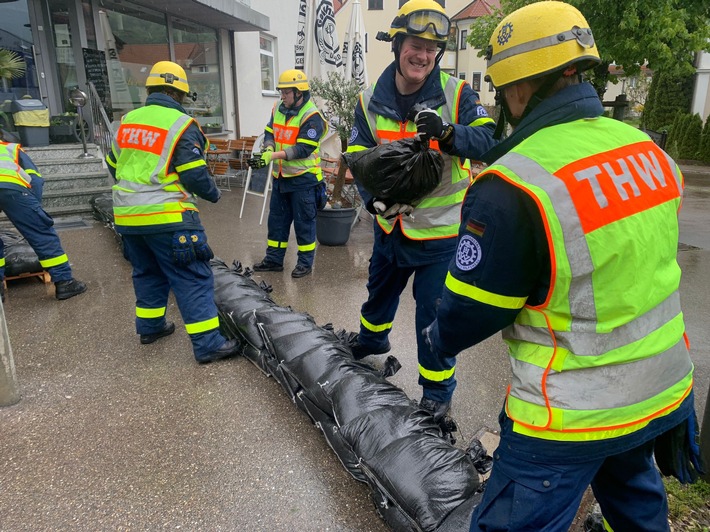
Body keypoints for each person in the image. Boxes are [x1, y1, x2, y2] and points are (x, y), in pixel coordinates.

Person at [422, 2, 700, 530]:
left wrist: (438, 338)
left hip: (568, 417)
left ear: (521, 87)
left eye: (504, 91)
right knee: (637, 511)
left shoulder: (514, 186)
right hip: (658, 392)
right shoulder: (648, 151)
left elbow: (472, 310)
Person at [345, 0, 496, 420]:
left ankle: (437, 390)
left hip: (440, 234)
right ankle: (372, 342)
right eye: (415, 43)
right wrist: (369, 196)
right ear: (397, 44)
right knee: (378, 295)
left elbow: (488, 142)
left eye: (431, 48)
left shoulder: (458, 94)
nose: (422, 55)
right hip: (390, 226)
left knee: (433, 314)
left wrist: (450, 134)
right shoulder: (369, 99)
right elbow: (357, 152)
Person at [106, 60, 239, 364]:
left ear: (151, 88)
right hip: (169, 217)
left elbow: (113, 164)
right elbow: (193, 173)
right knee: (191, 276)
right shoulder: (181, 124)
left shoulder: (127, 121)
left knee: (147, 272)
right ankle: (208, 344)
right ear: (178, 93)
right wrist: (214, 194)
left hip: (128, 217)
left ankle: (150, 327)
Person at [250, 69, 328, 279]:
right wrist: (268, 147)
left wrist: (273, 155)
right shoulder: (278, 108)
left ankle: (304, 263)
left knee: (304, 224)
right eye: (281, 92)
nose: (282, 96)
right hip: (281, 178)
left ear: (299, 92)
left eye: (286, 92)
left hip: (304, 180)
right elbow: (269, 131)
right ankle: (274, 260)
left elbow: (303, 149)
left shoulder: (312, 116)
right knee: (276, 222)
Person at [0, 130, 87, 302]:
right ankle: (64, 282)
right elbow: (35, 179)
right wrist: (35, 209)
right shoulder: (11, 148)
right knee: (41, 234)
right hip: (11, 188)